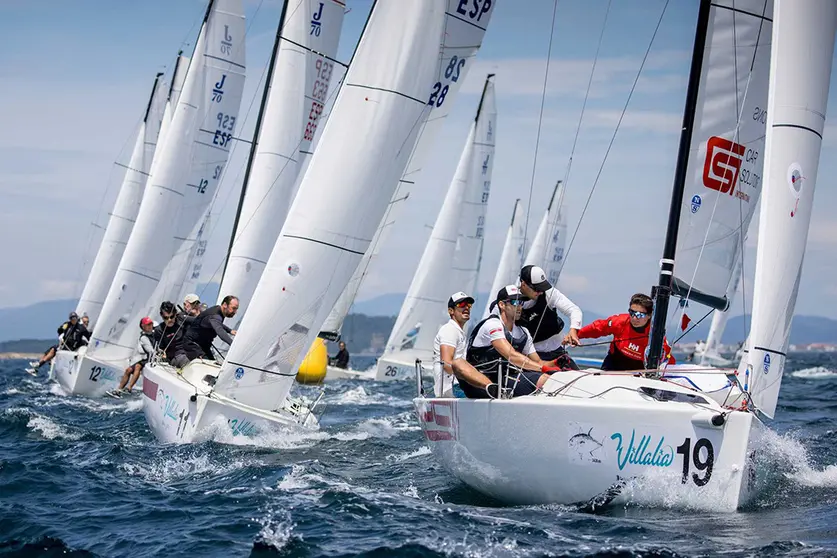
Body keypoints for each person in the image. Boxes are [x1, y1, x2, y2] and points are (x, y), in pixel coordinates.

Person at [461, 285, 563, 399]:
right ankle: (493, 389)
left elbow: (538, 362)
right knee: (457, 362)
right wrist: (543, 368)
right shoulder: (492, 324)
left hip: (505, 380)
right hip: (479, 383)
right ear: (502, 305)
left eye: (521, 303)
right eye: (515, 302)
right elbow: (511, 355)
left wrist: (556, 363)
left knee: (547, 379)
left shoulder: (523, 332)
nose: (519, 307)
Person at [576, 293, 675, 371]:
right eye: (632, 313)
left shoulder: (655, 334)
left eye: (640, 315)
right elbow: (597, 328)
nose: (634, 318)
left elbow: (669, 360)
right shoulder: (619, 321)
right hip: (613, 364)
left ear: (649, 315)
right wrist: (576, 335)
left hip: (638, 371)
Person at [517, 265, 582, 368]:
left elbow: (574, 310)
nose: (540, 292)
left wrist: (573, 330)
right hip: (532, 356)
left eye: (542, 287)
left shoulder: (549, 293)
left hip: (557, 351)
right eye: (536, 289)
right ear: (523, 284)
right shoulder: (512, 299)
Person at [432, 292, 474, 397]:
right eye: (461, 304)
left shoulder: (458, 331)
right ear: (451, 311)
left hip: (457, 385)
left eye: (468, 305)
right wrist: (472, 376)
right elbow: (446, 363)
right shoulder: (450, 330)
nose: (466, 308)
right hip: (452, 388)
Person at [175, 295, 239, 364]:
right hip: (193, 345)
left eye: (236, 309)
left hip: (204, 346)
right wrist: (233, 344)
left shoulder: (217, 312)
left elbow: (218, 324)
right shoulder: (215, 316)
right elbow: (220, 331)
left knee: (215, 365)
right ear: (225, 305)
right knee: (208, 366)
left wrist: (230, 330)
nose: (235, 312)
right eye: (233, 308)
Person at [108, 317, 155, 398]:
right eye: (148, 324)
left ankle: (129, 388)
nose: (150, 326)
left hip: (151, 359)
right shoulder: (143, 337)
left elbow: (151, 350)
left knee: (138, 366)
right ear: (143, 326)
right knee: (128, 370)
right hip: (147, 358)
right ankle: (119, 390)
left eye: (151, 324)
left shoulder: (155, 333)